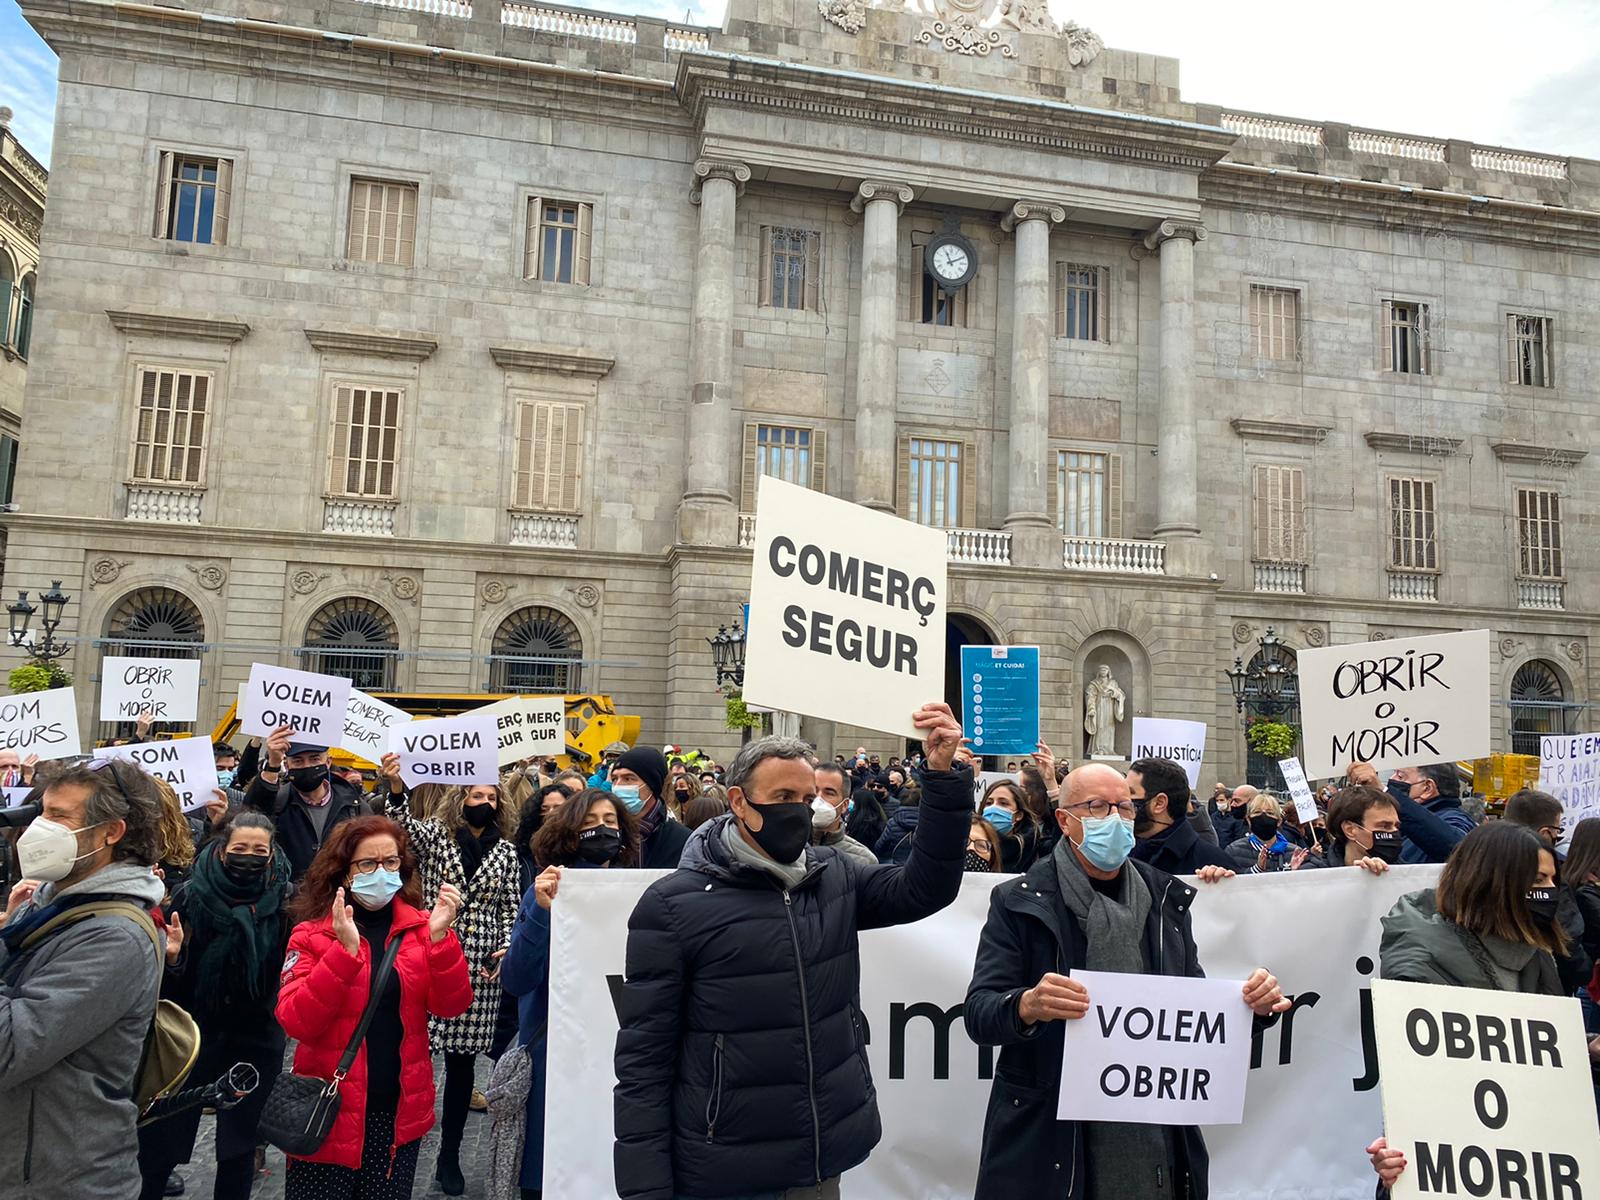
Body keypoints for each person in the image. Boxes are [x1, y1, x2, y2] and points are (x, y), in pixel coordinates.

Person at [614, 703, 971, 1200]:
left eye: (806, 798)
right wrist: (645, 1188)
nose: (798, 810)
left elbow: (926, 887)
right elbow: (643, 1062)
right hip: (726, 1166)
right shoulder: (674, 905)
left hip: (822, 1157)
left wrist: (941, 777)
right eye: (782, 796)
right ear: (738, 802)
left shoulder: (835, 875)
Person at [964, 762, 1288, 1198]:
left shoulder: (1164, 898)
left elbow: (1189, 1012)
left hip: (1157, 1140)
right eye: (1097, 807)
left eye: (1124, 807)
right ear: (1065, 820)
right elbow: (980, 1013)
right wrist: (1027, 1005)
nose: (1114, 818)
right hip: (1049, 1140)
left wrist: (1253, 1008)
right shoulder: (1019, 902)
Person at [276, 815, 472, 1200]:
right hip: (329, 1113)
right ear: (344, 872)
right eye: (368, 864)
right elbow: (296, 1020)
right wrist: (343, 954)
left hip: (396, 1113)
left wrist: (441, 941)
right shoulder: (311, 934)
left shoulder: (420, 929)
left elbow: (452, 1006)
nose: (381, 872)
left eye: (391, 862)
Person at [1367, 822, 1568, 1192]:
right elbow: (1420, 1080)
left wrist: (1579, 1046)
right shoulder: (1421, 960)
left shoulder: (1537, 952)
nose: (1550, 892)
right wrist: (1397, 1151)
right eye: (1539, 880)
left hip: (1526, 1154)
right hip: (1458, 1164)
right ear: (1498, 881)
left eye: (1553, 881)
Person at [0, 759, 167, 1200]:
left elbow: (8, 1047)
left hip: (59, 1180)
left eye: (58, 817)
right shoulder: (52, 902)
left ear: (111, 832)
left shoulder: (115, 936)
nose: (40, 827)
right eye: (42, 812)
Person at [378, 761, 523, 1197]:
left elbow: (510, 907)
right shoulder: (438, 837)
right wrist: (397, 786)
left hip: (479, 968)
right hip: (432, 949)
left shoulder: (507, 853)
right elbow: (400, 829)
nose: (484, 803)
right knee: (410, 1051)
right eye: (476, 796)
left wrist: (504, 946)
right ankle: (395, 1144)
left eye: (491, 797)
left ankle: (449, 1155)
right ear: (461, 799)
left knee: (462, 1066)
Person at [137, 812, 293, 1200]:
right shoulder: (191, 894)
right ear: (222, 850)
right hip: (192, 1036)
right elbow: (173, 983)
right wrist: (173, 959)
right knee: (161, 1141)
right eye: (240, 849)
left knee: (238, 1149)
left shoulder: (287, 900)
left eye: (260, 850)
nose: (250, 857)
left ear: (272, 855)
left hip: (256, 1036)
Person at [503, 789, 640, 1200]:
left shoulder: (640, 891)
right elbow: (516, 978)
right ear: (569, 832)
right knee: (554, 1171)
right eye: (590, 823)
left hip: (618, 1057)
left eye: (611, 821)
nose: (603, 829)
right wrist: (542, 914)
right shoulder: (549, 891)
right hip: (556, 1060)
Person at [244, 727, 368, 880]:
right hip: (289, 898)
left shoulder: (355, 807)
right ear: (287, 765)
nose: (307, 766)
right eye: (298, 761)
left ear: (328, 762)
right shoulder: (277, 803)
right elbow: (249, 816)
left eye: (315, 759)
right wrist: (272, 764)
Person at [1502, 787, 1591, 992]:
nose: (1549, 885)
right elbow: (1567, 942)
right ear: (1546, 833)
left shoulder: (1481, 865)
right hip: (1542, 990)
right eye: (1540, 879)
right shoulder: (1553, 883)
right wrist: (1584, 969)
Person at [1127, 756, 1237, 877]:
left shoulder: (1212, 863)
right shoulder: (1118, 853)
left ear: (1159, 803)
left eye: (1130, 793)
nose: (1122, 799)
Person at [1349, 761, 1474, 865]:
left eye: (1400, 776)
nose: (1391, 780)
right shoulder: (1405, 821)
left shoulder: (1455, 819)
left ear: (1427, 788)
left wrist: (1385, 791)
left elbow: (1457, 848)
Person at [610, 745, 690, 869]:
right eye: (614, 779)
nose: (618, 786)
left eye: (628, 778)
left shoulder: (683, 840)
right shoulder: (606, 835)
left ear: (652, 785)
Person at [1306, 784, 1402, 872]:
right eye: (1384, 826)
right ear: (1350, 830)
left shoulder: (1406, 873)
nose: (1394, 831)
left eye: (1397, 826)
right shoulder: (1315, 875)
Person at [1223, 794, 1309, 874]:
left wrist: (1294, 874)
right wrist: (1257, 869)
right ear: (1249, 820)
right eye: (1257, 812)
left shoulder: (1295, 853)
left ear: (1279, 821)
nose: (1263, 816)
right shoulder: (1234, 851)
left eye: (1270, 813)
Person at [812, 762, 877, 866]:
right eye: (813, 791)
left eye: (829, 793)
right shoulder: (787, 846)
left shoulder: (863, 859)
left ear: (844, 805)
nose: (818, 799)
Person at [978, 778, 1039, 873]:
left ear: (1018, 815)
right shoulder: (970, 845)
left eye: (1003, 803)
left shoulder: (1032, 848)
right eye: (989, 803)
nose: (994, 807)